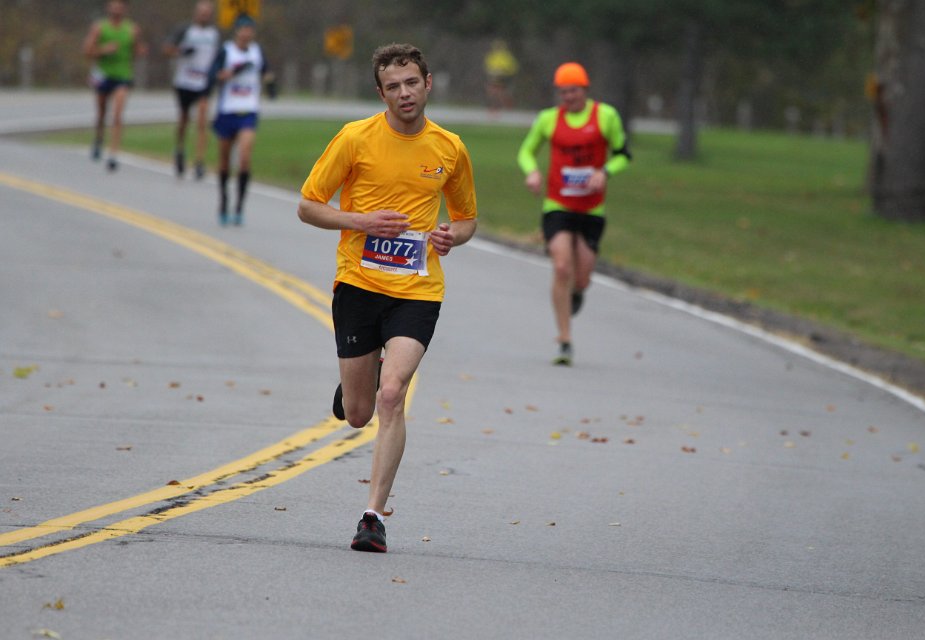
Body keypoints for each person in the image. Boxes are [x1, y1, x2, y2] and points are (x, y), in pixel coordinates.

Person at [297, 43, 478, 553]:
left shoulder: (449, 148)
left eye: (412, 83)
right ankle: (358, 380)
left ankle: (372, 516)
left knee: (393, 395)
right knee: (359, 414)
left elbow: (466, 218)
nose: (405, 93)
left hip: (418, 289)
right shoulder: (355, 138)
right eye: (393, 87)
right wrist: (362, 221)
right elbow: (308, 206)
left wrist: (451, 236)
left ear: (428, 84)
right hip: (358, 284)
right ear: (381, 94)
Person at [517, 62, 631, 366]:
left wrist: (605, 172)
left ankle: (577, 292)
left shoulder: (605, 116)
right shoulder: (548, 119)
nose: (568, 97)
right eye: (563, 92)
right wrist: (532, 172)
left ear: (585, 89)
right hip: (558, 205)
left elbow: (623, 155)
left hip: (592, 208)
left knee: (581, 278)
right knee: (561, 267)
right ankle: (564, 340)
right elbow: (526, 151)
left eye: (573, 91)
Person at [208, 14, 275, 226]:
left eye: (249, 29)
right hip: (227, 110)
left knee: (244, 157)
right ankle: (223, 201)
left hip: (248, 111)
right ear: (236, 31)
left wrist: (271, 85)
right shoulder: (226, 51)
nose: (246, 33)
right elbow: (213, 75)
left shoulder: (257, 52)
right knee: (224, 160)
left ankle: (239, 206)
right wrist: (228, 73)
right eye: (243, 29)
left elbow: (266, 72)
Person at [82, 0, 147, 172]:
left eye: (120, 6)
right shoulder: (100, 27)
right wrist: (104, 50)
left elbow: (138, 50)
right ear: (108, 7)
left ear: (125, 9)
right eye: (114, 5)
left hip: (123, 76)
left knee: (117, 114)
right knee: (102, 112)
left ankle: (113, 154)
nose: (117, 9)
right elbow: (87, 51)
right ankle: (99, 138)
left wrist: (140, 50)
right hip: (103, 74)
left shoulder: (132, 29)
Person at [163, 0, 219, 180]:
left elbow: (218, 57)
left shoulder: (214, 34)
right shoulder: (185, 30)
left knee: (202, 121)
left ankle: (199, 161)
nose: (204, 15)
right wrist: (181, 52)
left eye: (207, 13)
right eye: (201, 12)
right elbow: (167, 49)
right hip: (184, 81)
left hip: (203, 82)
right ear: (196, 13)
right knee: (184, 120)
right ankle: (179, 149)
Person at [483, 39, 518, 114]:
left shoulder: (507, 57)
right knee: (493, 92)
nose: (498, 48)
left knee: (500, 93)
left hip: (504, 78)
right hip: (493, 77)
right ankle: (494, 108)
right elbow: (487, 67)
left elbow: (512, 68)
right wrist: (492, 71)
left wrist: (503, 71)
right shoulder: (491, 56)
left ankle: (505, 107)